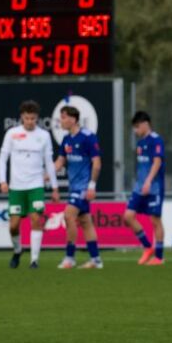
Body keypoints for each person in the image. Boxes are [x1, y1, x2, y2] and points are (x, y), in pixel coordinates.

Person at [0, 100, 59, 269]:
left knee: (36, 220)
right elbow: (2, 159)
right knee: (13, 225)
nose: (30, 121)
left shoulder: (44, 136)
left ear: (37, 118)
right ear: (21, 117)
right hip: (16, 187)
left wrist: (54, 188)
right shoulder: (12, 133)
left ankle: (34, 260)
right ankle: (18, 250)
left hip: (36, 185)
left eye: (33, 118)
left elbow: (49, 162)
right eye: (27, 118)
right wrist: (2, 181)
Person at [54, 105, 103, 269]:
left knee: (68, 216)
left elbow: (97, 163)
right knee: (85, 221)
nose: (60, 121)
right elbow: (60, 162)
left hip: (83, 188)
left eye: (63, 117)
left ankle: (70, 257)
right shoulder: (66, 139)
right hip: (73, 187)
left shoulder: (88, 137)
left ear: (73, 119)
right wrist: (44, 175)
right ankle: (96, 259)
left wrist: (92, 186)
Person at [124, 111, 165, 265]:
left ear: (145, 124)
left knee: (155, 220)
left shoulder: (156, 140)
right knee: (128, 216)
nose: (135, 130)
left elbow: (157, 162)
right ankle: (148, 247)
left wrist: (148, 181)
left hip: (154, 187)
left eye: (137, 127)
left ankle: (159, 257)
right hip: (139, 187)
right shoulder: (140, 143)